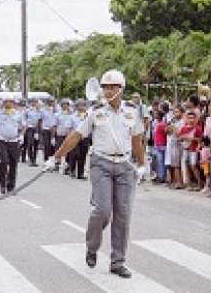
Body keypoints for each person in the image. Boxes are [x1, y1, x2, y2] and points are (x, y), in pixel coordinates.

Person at [49, 69, 147, 279]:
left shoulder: (132, 112)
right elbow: (76, 136)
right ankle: (92, 246)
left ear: (121, 89)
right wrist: (56, 157)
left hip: (124, 166)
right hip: (101, 163)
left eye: (112, 87)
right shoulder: (95, 111)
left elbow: (137, 140)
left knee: (123, 215)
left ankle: (118, 261)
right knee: (103, 210)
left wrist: (141, 165)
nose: (108, 90)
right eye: (105, 87)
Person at [0, 97, 24, 194]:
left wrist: (21, 135)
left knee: (13, 164)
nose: (8, 104)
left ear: (14, 104)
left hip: (14, 141)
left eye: (10, 102)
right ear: (3, 104)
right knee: (4, 162)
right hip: (2, 141)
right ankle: (2, 184)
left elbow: (24, 125)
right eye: (6, 102)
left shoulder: (18, 114)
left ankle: (11, 186)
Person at [23, 98, 41, 166]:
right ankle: (30, 159)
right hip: (29, 128)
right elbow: (24, 119)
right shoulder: (27, 110)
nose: (34, 103)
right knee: (30, 144)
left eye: (36, 102)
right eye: (33, 102)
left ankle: (34, 160)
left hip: (36, 129)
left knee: (36, 145)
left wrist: (37, 131)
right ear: (31, 102)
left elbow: (39, 120)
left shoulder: (39, 111)